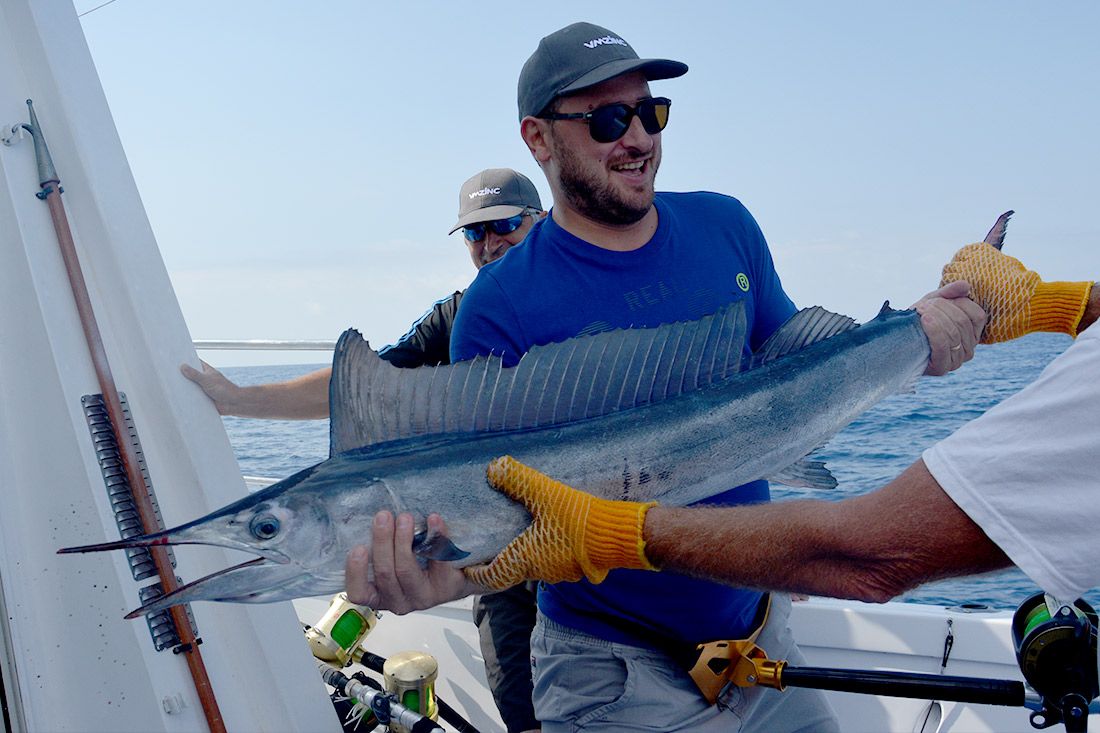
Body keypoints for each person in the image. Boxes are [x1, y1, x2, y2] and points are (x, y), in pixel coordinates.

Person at [346, 22, 984, 733]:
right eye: (608, 119)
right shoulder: (497, 309)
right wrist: (448, 569)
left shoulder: (726, 225)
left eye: (651, 113)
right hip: (616, 678)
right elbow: (496, 519)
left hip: (764, 640)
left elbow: (803, 369)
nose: (638, 137)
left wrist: (924, 335)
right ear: (538, 138)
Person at [181, 167, 547, 733]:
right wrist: (239, 399)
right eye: (475, 233)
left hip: (582, 540)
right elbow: (367, 385)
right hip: (489, 559)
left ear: (540, 221)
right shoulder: (456, 316)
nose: (490, 242)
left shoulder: (577, 303)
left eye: (505, 224)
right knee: (521, 708)